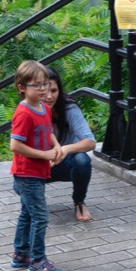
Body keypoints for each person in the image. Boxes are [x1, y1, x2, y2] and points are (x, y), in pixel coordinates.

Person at [9, 59, 65, 271]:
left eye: (45, 84)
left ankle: (21, 254)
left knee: (27, 214)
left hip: (38, 170)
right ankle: (37, 261)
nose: (43, 89)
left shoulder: (43, 107)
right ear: (22, 88)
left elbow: (48, 130)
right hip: (27, 172)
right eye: (37, 85)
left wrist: (56, 145)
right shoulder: (23, 113)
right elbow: (15, 145)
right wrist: (44, 155)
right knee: (40, 217)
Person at [43, 65, 97, 221]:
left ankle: (79, 201)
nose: (49, 96)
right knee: (19, 187)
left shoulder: (68, 108)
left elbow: (90, 142)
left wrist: (65, 149)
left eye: (53, 91)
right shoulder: (28, 111)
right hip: (39, 164)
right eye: (45, 91)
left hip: (65, 164)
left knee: (82, 160)